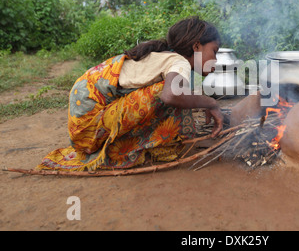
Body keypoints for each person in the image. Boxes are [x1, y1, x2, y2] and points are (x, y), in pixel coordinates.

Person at [37, 16, 224, 171]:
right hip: (88, 128)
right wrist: (210, 102)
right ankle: (156, 147)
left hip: (82, 125)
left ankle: (155, 145)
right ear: (196, 46)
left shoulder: (164, 57)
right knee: (172, 93)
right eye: (214, 52)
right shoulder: (178, 62)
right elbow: (170, 96)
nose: (215, 59)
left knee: (183, 92)